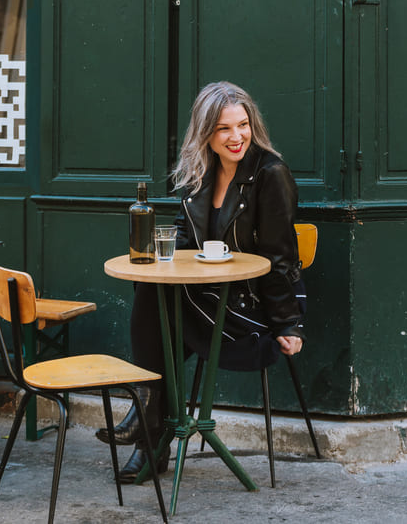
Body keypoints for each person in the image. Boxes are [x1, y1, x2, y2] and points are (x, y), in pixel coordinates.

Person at [99, 81, 306, 481]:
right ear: (206, 133)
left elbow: (280, 259)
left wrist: (288, 323)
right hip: (207, 298)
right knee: (155, 294)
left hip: (248, 307)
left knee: (157, 306)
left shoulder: (270, 174)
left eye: (243, 125)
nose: (236, 137)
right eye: (224, 128)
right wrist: (163, 259)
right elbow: (184, 234)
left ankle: (148, 428)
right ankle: (150, 427)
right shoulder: (202, 171)